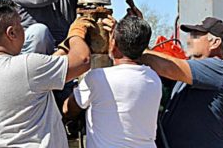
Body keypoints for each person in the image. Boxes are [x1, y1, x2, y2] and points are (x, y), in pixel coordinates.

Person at [0, 0, 93, 148]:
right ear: (11, 33)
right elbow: (82, 60)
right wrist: (76, 32)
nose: (24, 31)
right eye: (21, 26)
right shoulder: (27, 68)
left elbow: (38, 72)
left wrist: (65, 48)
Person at [63, 16, 162, 148]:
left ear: (114, 44)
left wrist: (75, 35)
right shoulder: (154, 79)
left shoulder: (97, 78)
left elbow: (68, 110)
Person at [141, 17, 223, 148]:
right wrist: (138, 29)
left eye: (196, 36)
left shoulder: (220, 70)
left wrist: (131, 46)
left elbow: (166, 66)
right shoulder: (192, 73)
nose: (188, 40)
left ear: (214, 42)